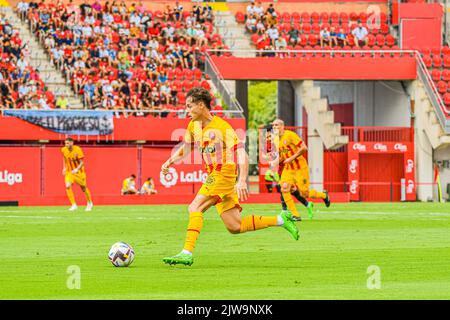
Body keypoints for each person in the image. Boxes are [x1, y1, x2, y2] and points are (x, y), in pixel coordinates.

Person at [161, 88, 299, 266]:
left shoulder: (222, 127)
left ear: (201, 105)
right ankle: (282, 219)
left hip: (223, 174)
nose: (186, 110)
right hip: (215, 175)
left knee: (194, 207)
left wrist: (242, 180)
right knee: (235, 226)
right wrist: (169, 161)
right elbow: (187, 148)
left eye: (189, 106)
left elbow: (241, 153)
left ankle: (186, 252)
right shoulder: (193, 125)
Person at [270, 119, 331, 221]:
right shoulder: (276, 140)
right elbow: (283, 155)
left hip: (300, 168)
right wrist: (276, 162)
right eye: (273, 125)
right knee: (284, 188)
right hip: (289, 169)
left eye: (276, 125)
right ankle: (295, 215)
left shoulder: (290, 135)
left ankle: (324, 195)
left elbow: (304, 148)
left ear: (282, 126)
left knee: (304, 194)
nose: (274, 127)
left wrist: (291, 158)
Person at [61, 138, 93, 211]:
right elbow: (64, 158)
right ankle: (73, 204)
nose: (66, 145)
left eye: (68, 143)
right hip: (69, 172)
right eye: (65, 143)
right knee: (68, 186)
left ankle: (89, 202)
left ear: (72, 143)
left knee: (83, 188)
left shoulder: (78, 149)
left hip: (79, 172)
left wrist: (76, 169)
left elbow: (82, 162)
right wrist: (64, 168)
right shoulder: (63, 150)